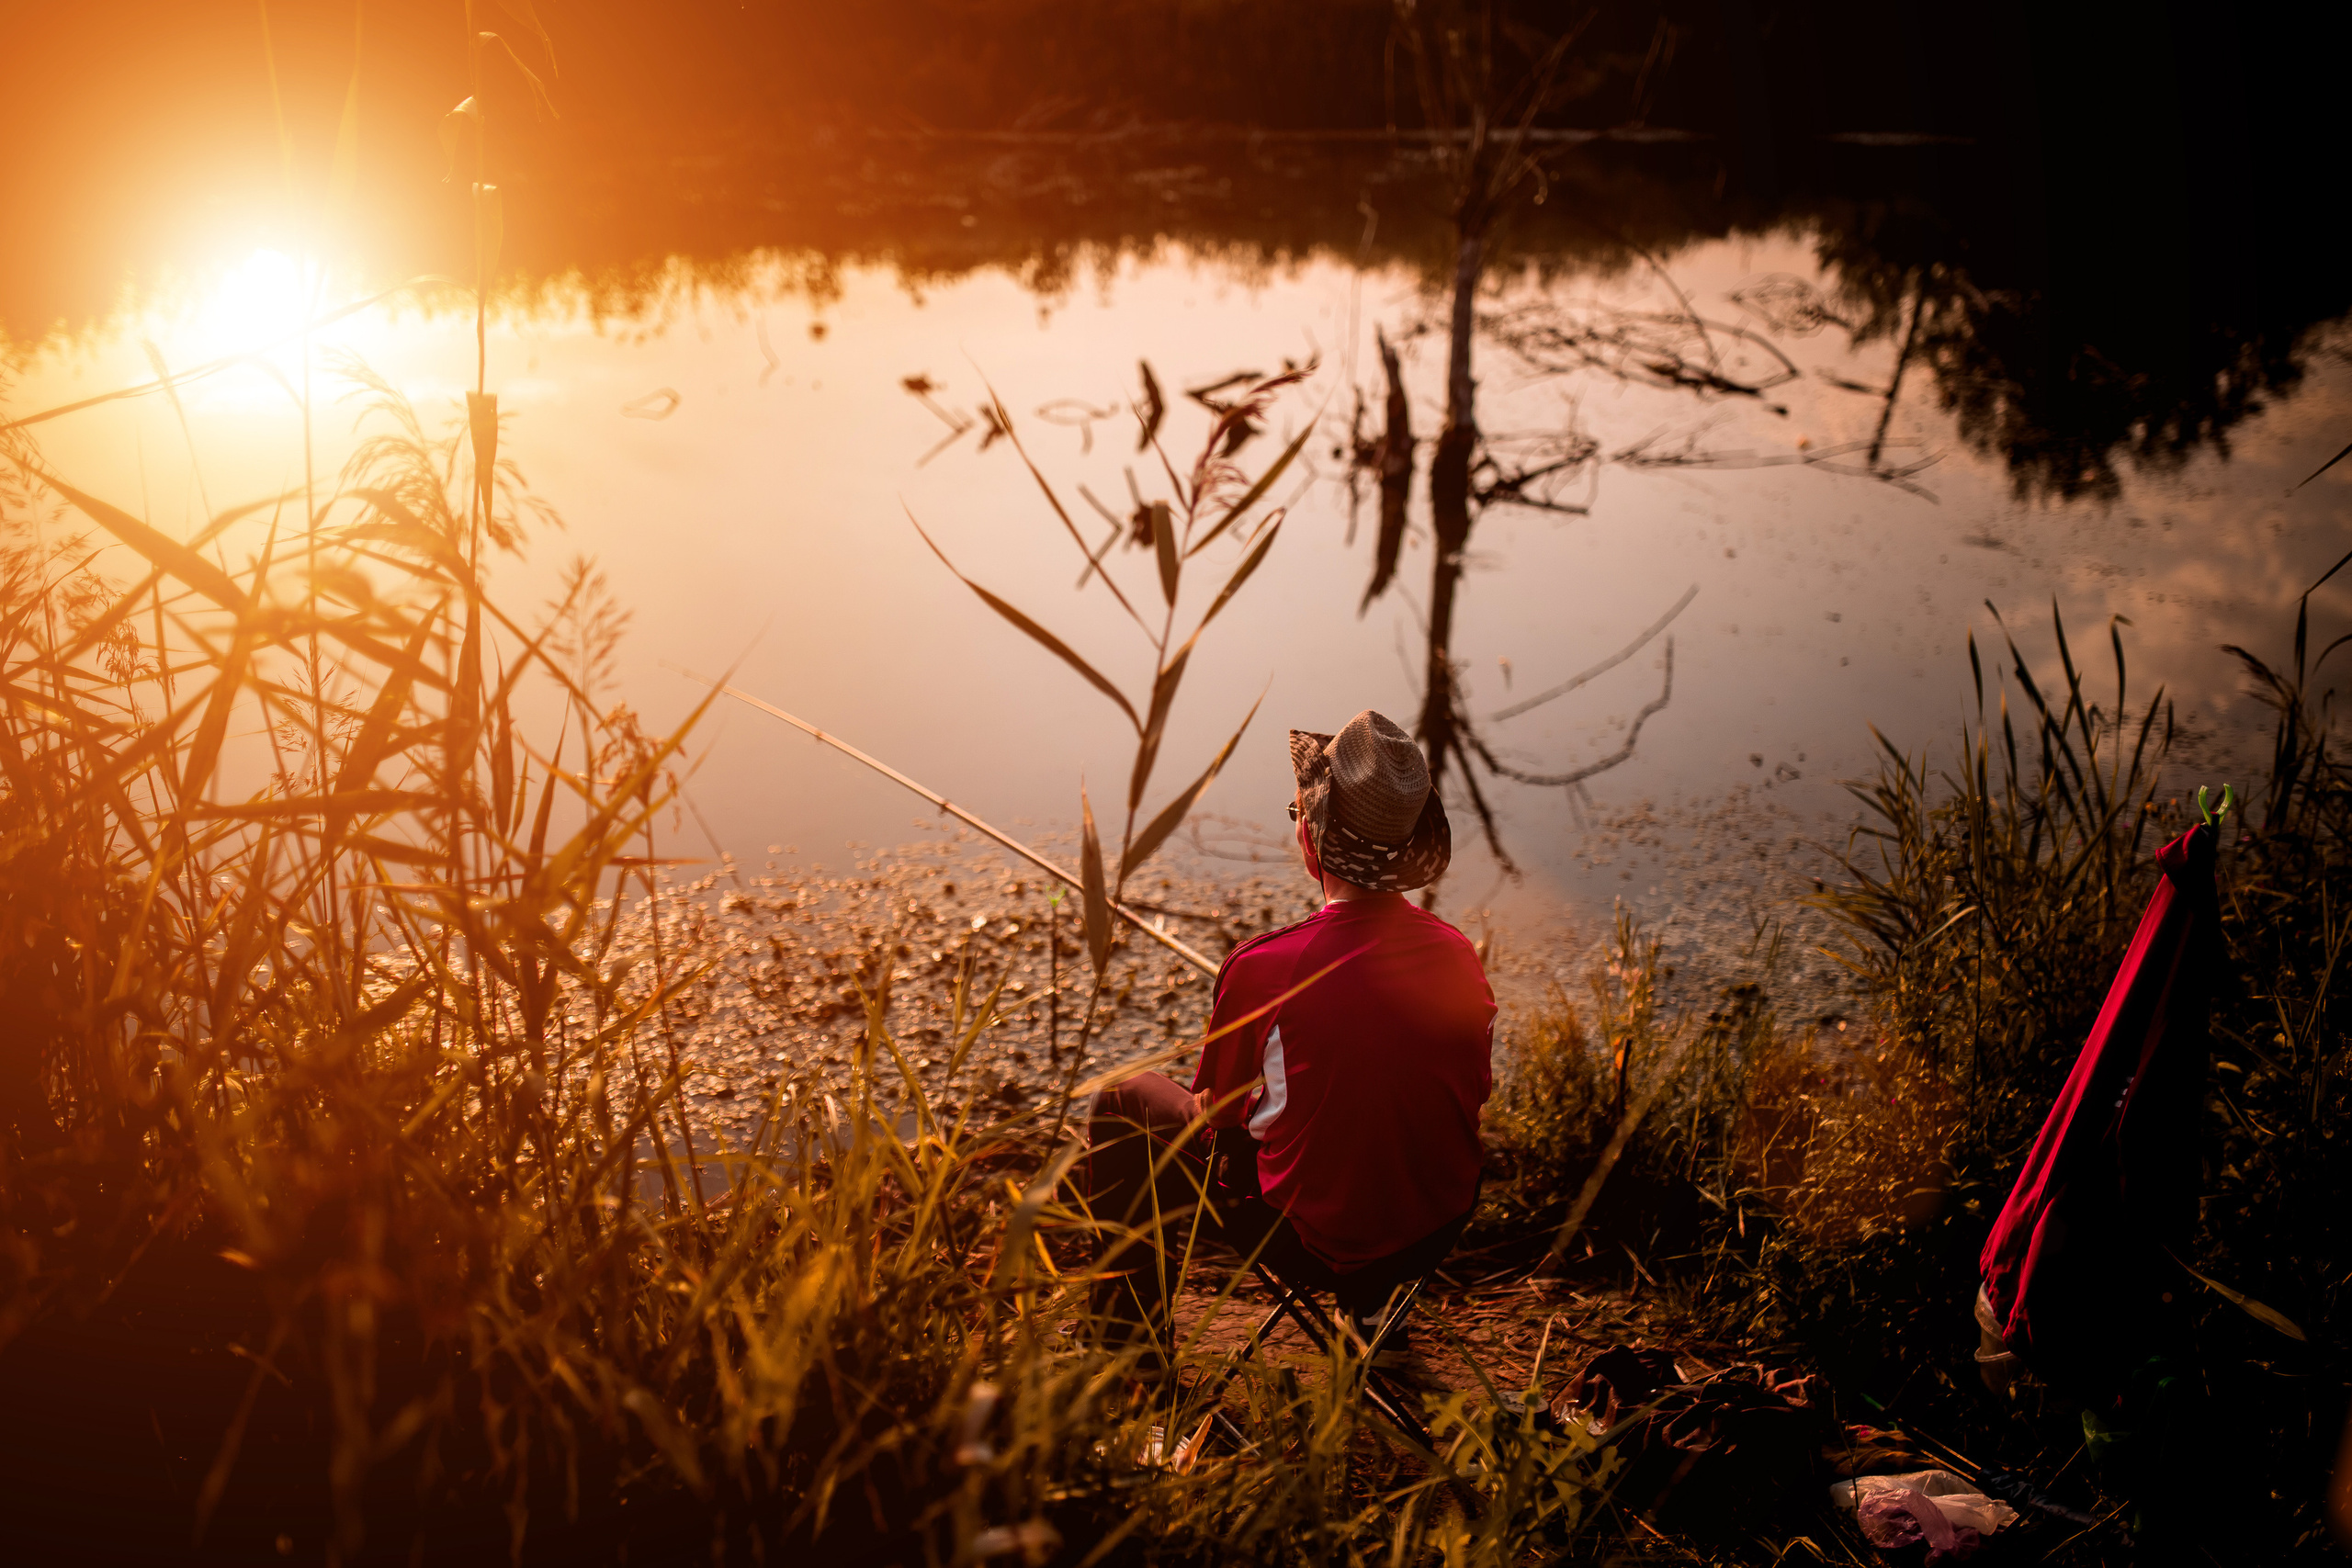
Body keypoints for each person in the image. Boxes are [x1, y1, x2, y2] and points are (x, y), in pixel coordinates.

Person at [1085, 710, 1495, 1366]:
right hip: (1435, 1227)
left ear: (1312, 837)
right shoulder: (1457, 955)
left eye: (1298, 812)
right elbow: (1462, 1094)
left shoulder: (1263, 966)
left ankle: (1128, 1365)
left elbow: (1218, 1115)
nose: (1298, 822)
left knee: (1120, 1100)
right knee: (1377, 1121)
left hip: (1314, 1244)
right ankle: (1375, 1314)